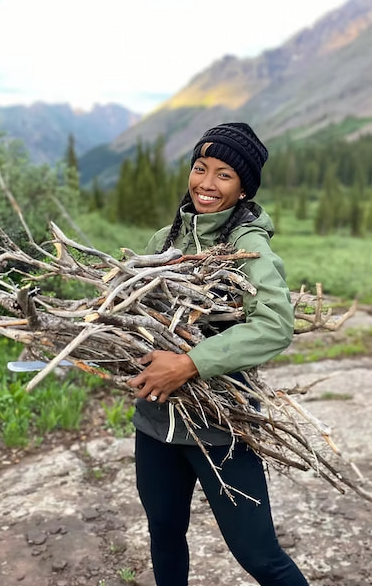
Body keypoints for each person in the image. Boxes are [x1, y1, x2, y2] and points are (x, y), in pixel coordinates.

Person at [128, 122, 309, 586]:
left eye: (224, 174)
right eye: (200, 168)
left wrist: (190, 364)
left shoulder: (247, 245)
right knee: (165, 534)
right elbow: (136, 317)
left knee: (259, 556)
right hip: (156, 422)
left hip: (222, 424)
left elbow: (274, 324)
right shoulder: (164, 241)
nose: (206, 183)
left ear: (243, 187)